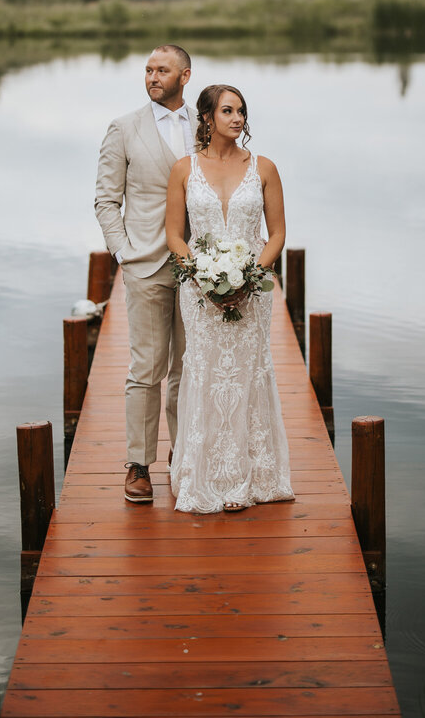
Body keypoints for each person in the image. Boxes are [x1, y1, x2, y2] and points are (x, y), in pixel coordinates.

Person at [165, 84, 294, 514]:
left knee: (247, 374)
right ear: (206, 118)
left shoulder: (265, 168)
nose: (237, 118)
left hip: (251, 291)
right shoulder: (183, 169)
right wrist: (201, 277)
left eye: (241, 111)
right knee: (204, 374)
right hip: (200, 295)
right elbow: (174, 235)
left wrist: (251, 275)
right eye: (227, 111)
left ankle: (250, 475)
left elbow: (276, 234)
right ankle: (200, 475)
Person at [94, 44, 195, 503]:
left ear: (185, 76)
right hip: (146, 264)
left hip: (199, 270)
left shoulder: (206, 126)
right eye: (148, 70)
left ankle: (184, 455)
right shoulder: (124, 128)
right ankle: (138, 464)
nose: (153, 77)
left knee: (188, 368)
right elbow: (105, 200)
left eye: (163, 70)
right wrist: (124, 254)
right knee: (146, 368)